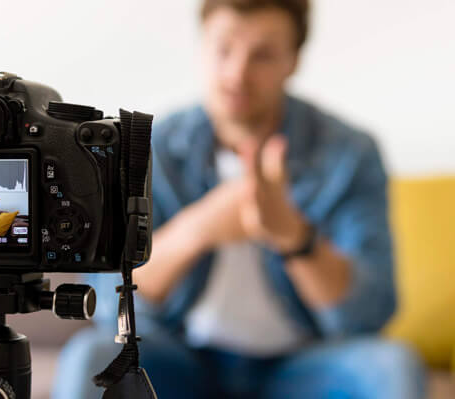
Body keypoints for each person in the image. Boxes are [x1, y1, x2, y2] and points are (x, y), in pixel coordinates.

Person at [52, 1, 426, 398]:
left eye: (262, 55)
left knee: (392, 365)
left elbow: (369, 314)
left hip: (305, 366)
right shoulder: (149, 149)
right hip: (181, 359)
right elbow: (108, 310)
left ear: (293, 60)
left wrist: (293, 236)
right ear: (202, 47)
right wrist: (198, 229)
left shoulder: (350, 154)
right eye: (223, 48)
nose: (237, 73)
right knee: (89, 356)